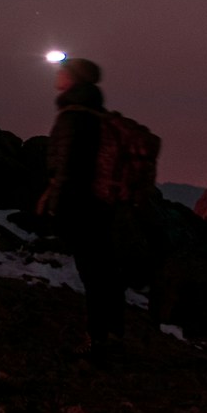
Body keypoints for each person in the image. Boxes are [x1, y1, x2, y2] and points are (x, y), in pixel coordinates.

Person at [36, 58, 161, 361]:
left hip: (81, 204)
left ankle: (97, 341)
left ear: (74, 79)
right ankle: (113, 336)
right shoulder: (96, 113)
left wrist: (54, 204)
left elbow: (67, 165)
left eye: (63, 72)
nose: (58, 75)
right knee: (106, 272)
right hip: (102, 204)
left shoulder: (72, 116)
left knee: (94, 274)